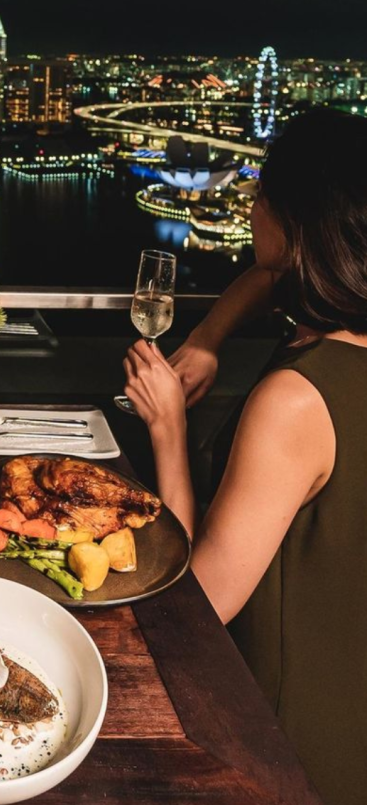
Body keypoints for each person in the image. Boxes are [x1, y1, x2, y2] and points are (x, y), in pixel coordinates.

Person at [122, 107, 367, 805]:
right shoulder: (342, 344)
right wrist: (209, 336)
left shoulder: (295, 401)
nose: (250, 203)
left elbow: (198, 606)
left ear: (293, 222)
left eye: (262, 192)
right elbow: (269, 277)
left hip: (274, 737)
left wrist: (166, 430)